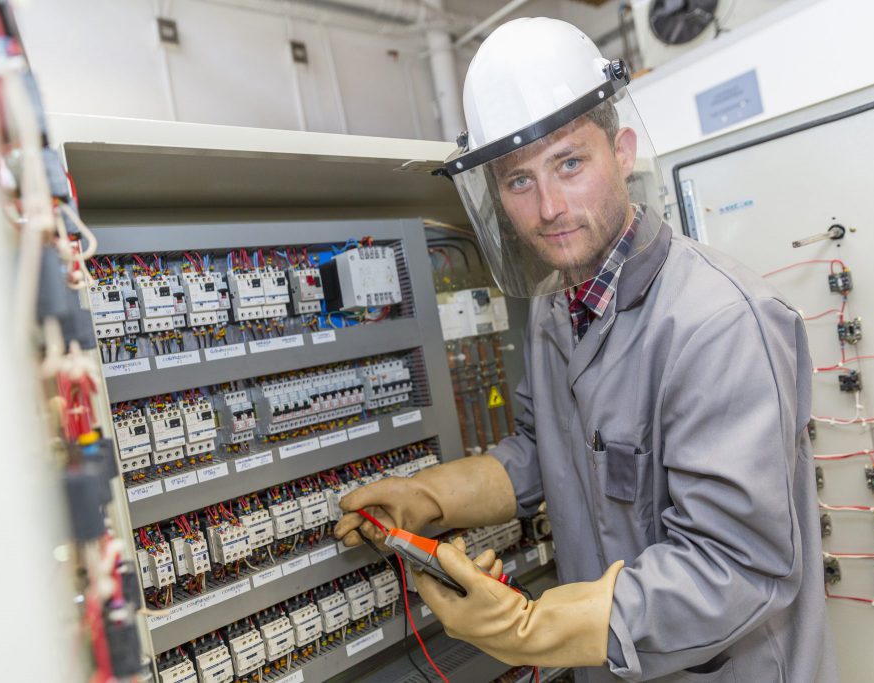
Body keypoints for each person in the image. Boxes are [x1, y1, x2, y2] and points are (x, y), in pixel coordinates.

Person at [334, 17, 836, 683]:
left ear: (622, 151)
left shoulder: (717, 322)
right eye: (518, 181)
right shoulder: (553, 307)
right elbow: (548, 449)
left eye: (569, 163)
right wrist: (433, 496)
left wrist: (537, 625)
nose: (548, 207)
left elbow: (736, 567)